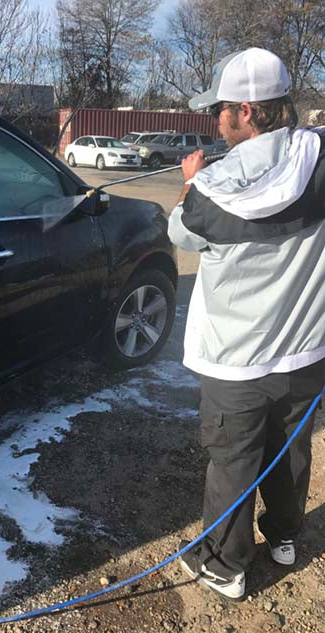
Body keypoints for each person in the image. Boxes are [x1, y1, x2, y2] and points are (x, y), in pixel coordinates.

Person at [167, 47, 325, 601]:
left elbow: (181, 233)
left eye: (221, 111)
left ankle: (223, 565)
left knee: (232, 461)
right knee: (290, 452)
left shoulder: (209, 192)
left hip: (235, 361)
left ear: (249, 111)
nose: (215, 121)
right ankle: (283, 538)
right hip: (306, 354)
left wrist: (191, 181)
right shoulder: (320, 160)